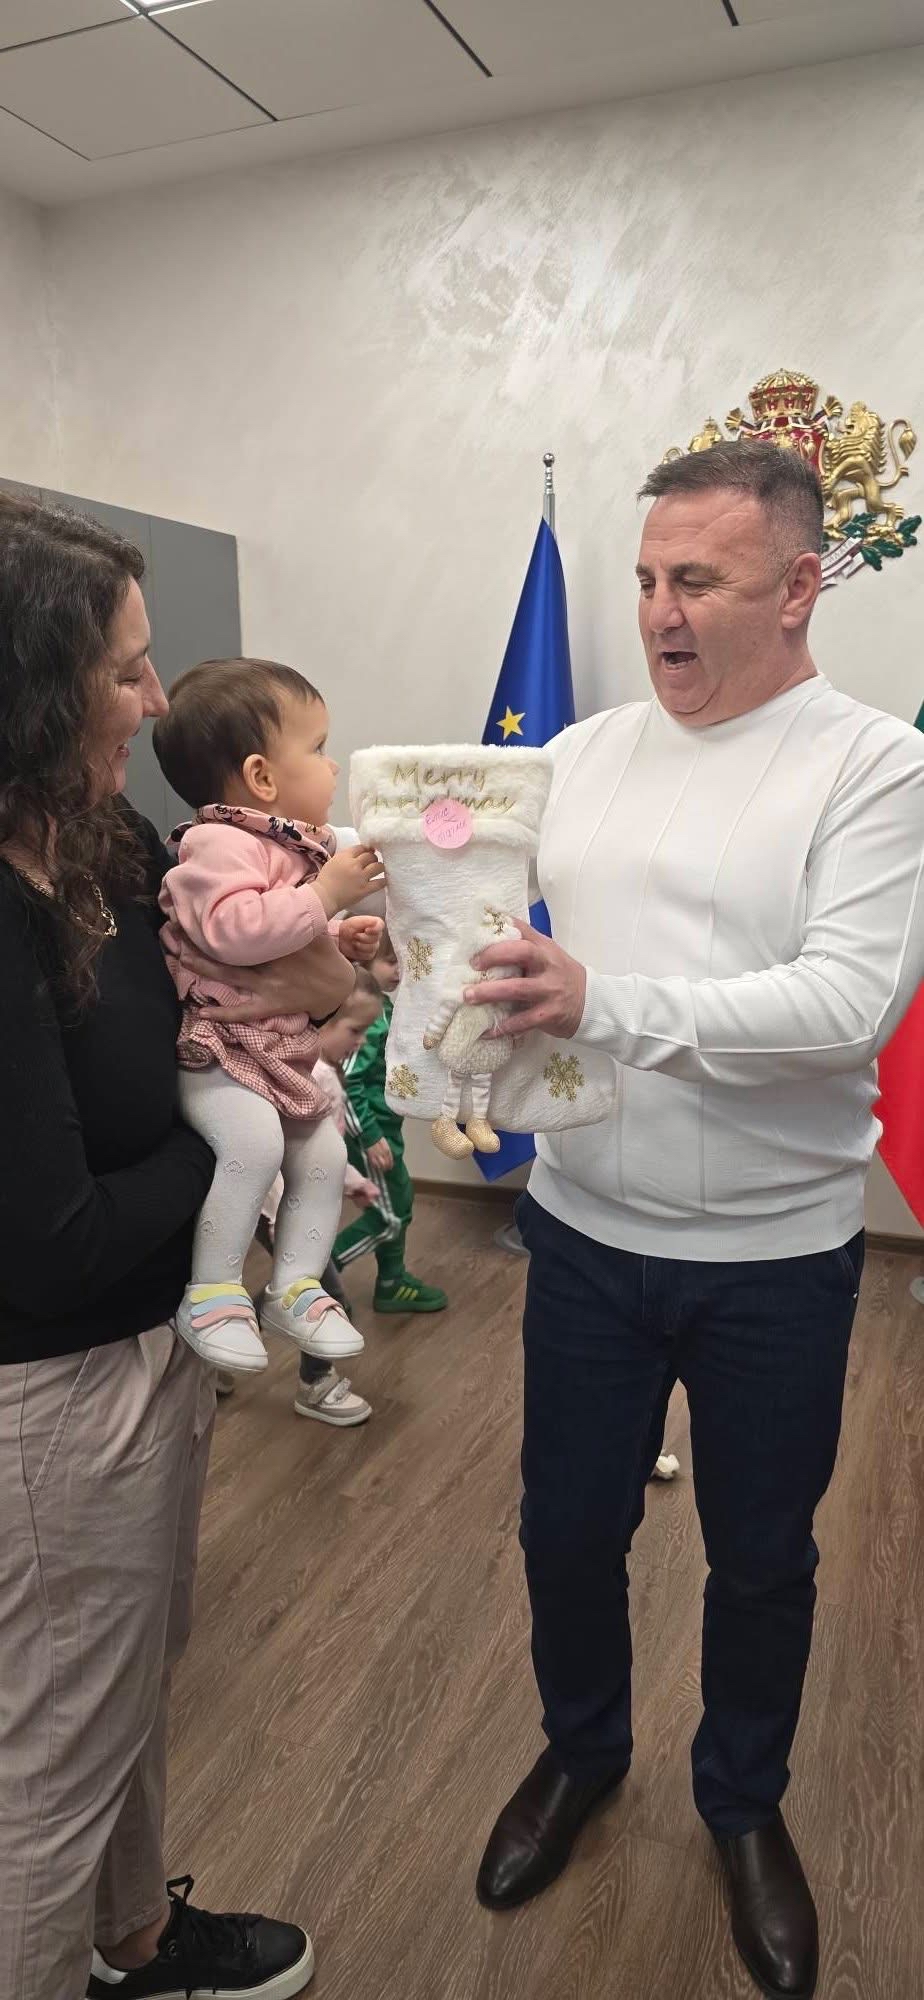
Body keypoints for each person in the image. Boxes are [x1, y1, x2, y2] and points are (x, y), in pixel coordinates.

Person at [469, 442, 924, 2000]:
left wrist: (604, 999)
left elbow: (845, 1005)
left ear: (797, 588)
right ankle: (582, 1753)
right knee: (567, 1527)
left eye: (699, 582)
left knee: (762, 1556)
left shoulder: (872, 765)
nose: (661, 612)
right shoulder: (582, 752)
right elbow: (471, 902)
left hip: (775, 1261)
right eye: (648, 579)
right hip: (584, 1233)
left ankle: (742, 1803)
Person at [0, 494, 326, 2000]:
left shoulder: (98, 831)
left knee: (120, 1692)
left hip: (148, 1342)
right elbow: (55, 1242)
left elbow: (239, 972)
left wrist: (316, 996)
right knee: (46, 1773)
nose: (154, 698)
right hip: (57, 1393)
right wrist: (249, 1131)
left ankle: (131, 1941)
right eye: (122, 669)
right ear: (29, 682)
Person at [153, 657, 384, 1374]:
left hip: (276, 1050)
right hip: (218, 1049)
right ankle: (213, 1293)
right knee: (251, 1145)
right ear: (260, 776)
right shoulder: (216, 844)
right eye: (318, 748)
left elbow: (282, 939)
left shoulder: (282, 847)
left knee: (325, 1155)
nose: (333, 765)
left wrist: (335, 936)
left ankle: (297, 1286)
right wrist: (323, 899)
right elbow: (233, 931)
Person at [333, 929, 449, 1314]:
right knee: (389, 1217)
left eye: (402, 960)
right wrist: (368, 1136)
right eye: (389, 960)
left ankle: (391, 1282)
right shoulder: (366, 1018)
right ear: (362, 962)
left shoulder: (382, 1009)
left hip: (384, 1128)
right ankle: (322, 1270)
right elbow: (346, 1082)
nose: (399, 970)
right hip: (369, 1133)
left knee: (399, 1201)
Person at [293, 967, 385, 1428]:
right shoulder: (314, 1077)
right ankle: (315, 1384)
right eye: (355, 1030)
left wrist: (353, 1182)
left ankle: (213, 1345)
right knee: (330, 1303)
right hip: (288, 1212)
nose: (362, 1042)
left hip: (297, 1210)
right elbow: (306, 1153)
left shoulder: (317, 1070)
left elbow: (323, 1151)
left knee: (289, 1292)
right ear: (322, 1018)